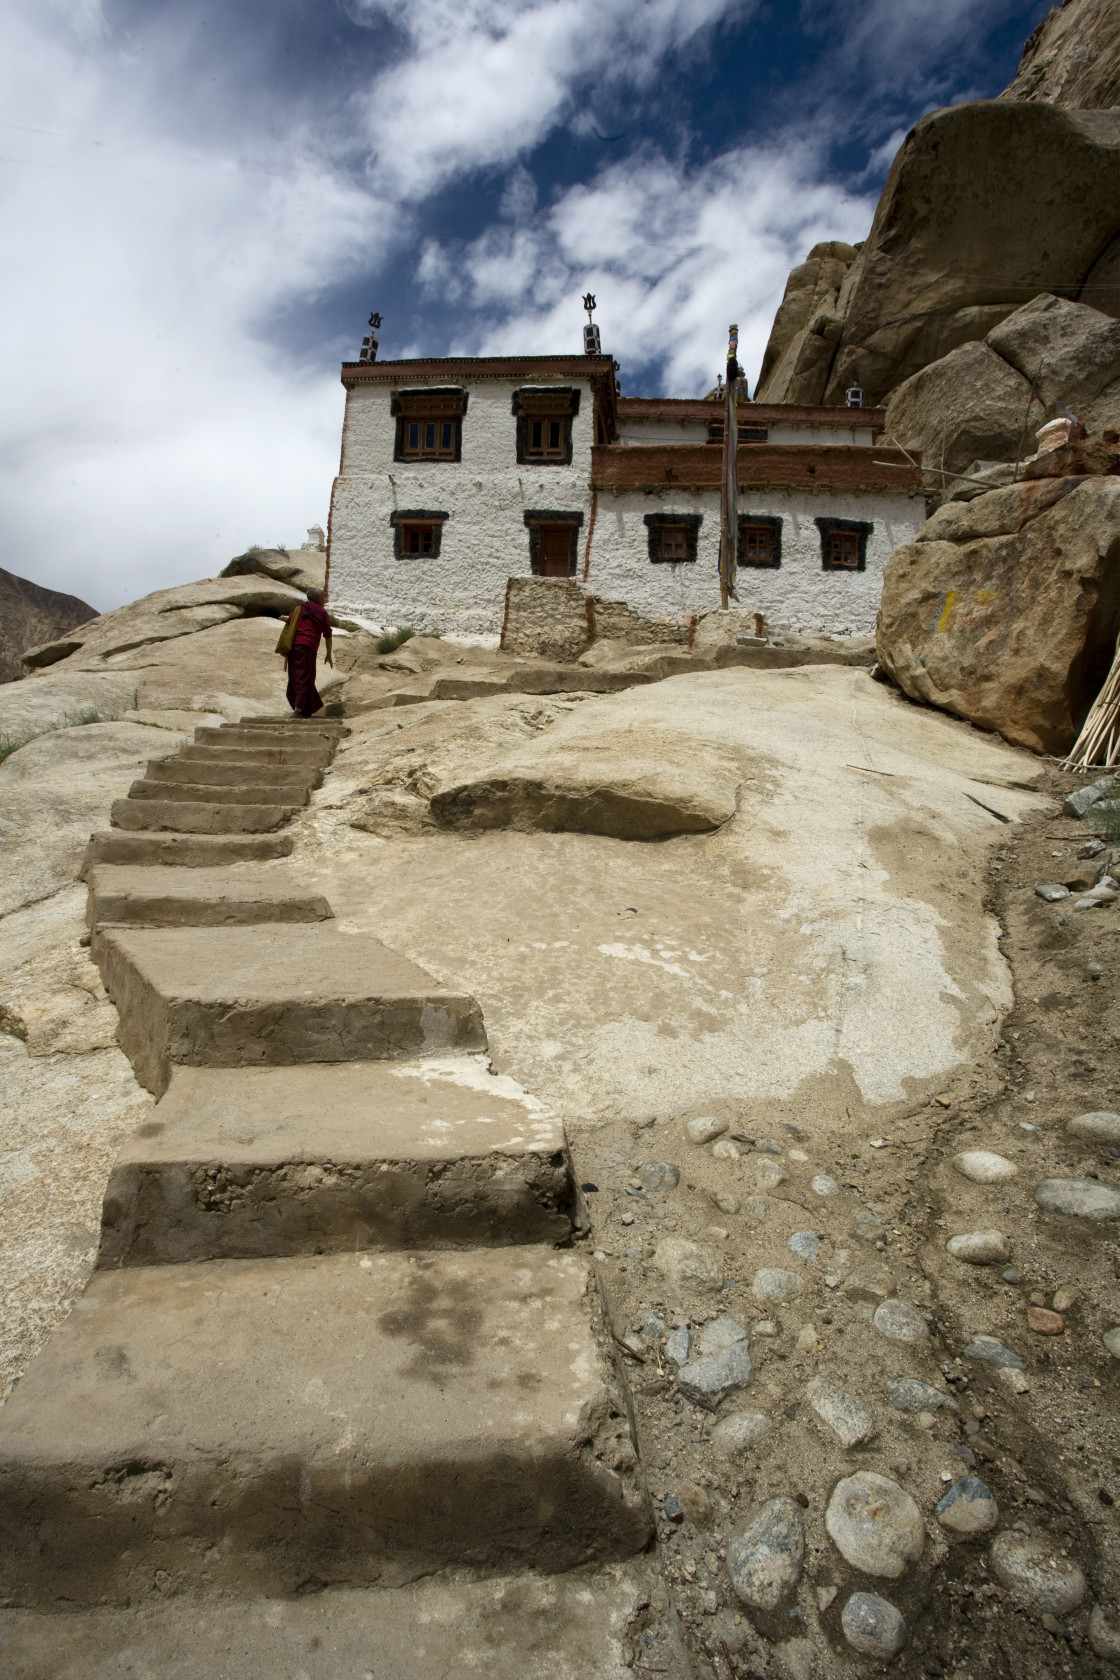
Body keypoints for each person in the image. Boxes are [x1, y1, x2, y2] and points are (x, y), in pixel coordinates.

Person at [284, 587, 333, 716]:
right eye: (323, 597)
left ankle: (304, 709)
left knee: (295, 676)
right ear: (317, 598)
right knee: (305, 677)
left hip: (294, 647)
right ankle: (299, 709)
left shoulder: (298, 609)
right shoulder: (321, 612)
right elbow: (327, 634)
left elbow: (288, 624)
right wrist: (328, 653)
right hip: (308, 647)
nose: (325, 600)